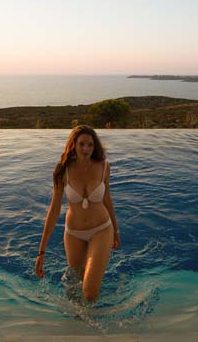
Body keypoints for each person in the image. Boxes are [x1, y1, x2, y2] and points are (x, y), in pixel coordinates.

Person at [34, 125, 120, 302]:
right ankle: (79, 318)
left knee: (89, 292)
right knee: (75, 289)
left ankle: (94, 318)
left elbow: (107, 198)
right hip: (74, 234)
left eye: (90, 145)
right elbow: (54, 210)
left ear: (95, 146)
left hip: (101, 229)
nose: (86, 149)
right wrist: (41, 251)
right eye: (81, 144)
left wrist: (116, 230)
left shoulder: (103, 166)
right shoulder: (62, 170)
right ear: (73, 144)